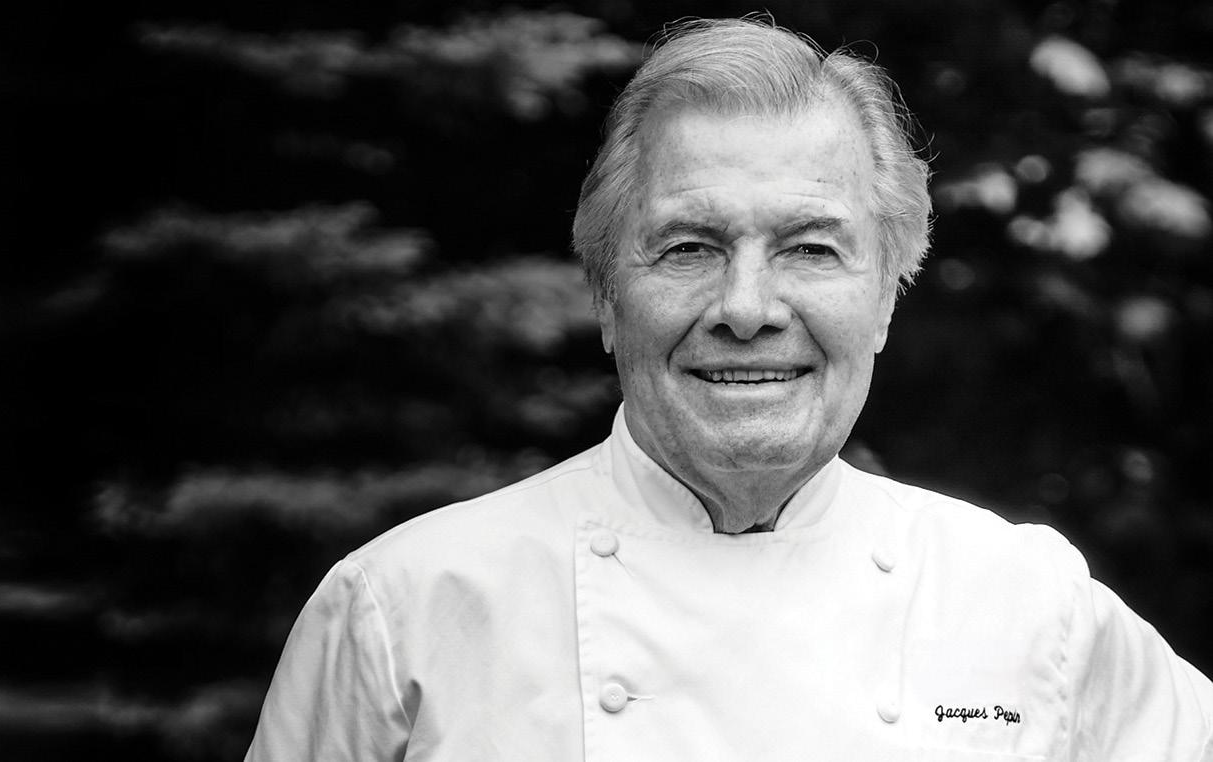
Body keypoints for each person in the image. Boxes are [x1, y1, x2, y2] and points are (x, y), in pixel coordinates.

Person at [245, 17, 1213, 761]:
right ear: (607, 297)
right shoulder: (400, 613)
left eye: (811, 249)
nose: (746, 308)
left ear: (885, 297)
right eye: (689, 247)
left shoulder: (1028, 603)